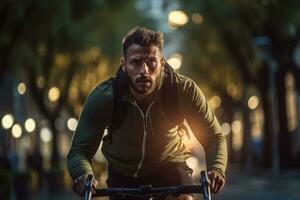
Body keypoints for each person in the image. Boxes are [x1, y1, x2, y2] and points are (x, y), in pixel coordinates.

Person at [67, 27, 227, 200]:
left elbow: (214, 137)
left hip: (169, 164)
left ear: (162, 64)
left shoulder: (183, 90)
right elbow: (80, 150)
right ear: (124, 65)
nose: (144, 70)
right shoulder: (105, 97)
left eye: (151, 61)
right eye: (136, 62)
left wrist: (216, 169)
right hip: (122, 171)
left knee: (184, 198)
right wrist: (83, 175)